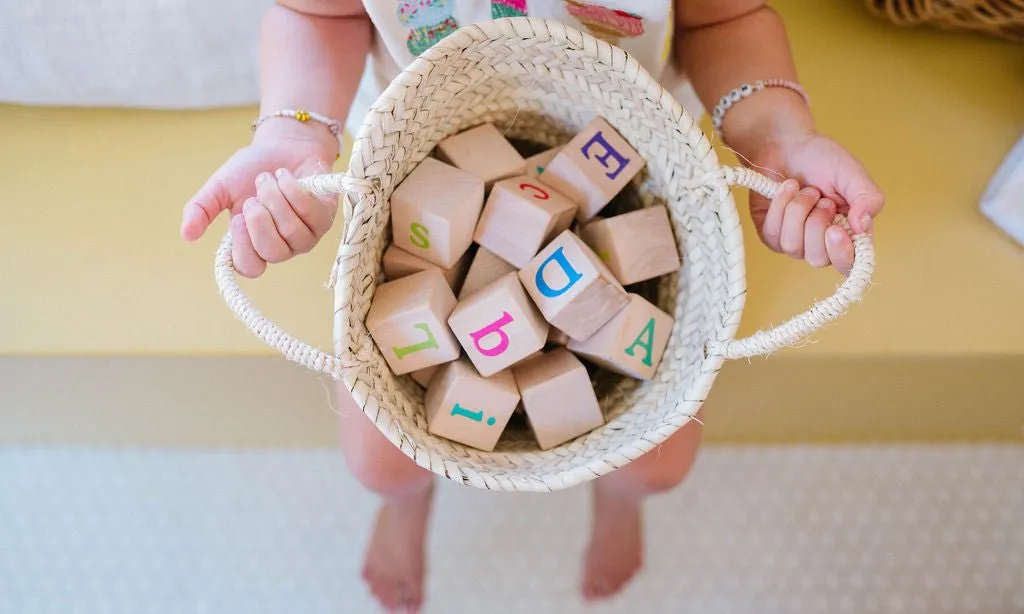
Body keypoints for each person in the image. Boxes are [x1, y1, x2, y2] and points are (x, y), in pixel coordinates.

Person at [180, 1, 885, 611]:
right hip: (412, 140)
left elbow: (728, 16)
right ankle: (405, 505)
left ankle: (619, 499)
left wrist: (777, 136)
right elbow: (314, 14)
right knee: (381, 461)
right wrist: (294, 134)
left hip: (627, 135)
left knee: (658, 463)